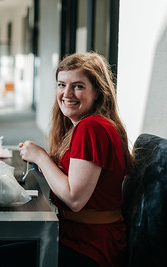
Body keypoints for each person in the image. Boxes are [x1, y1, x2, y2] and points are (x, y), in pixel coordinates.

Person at [18, 52, 134, 266]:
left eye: (78, 86)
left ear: (98, 92)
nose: (67, 93)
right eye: (61, 84)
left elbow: (75, 199)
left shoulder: (91, 128)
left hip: (92, 245)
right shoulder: (92, 125)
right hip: (79, 234)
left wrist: (41, 157)